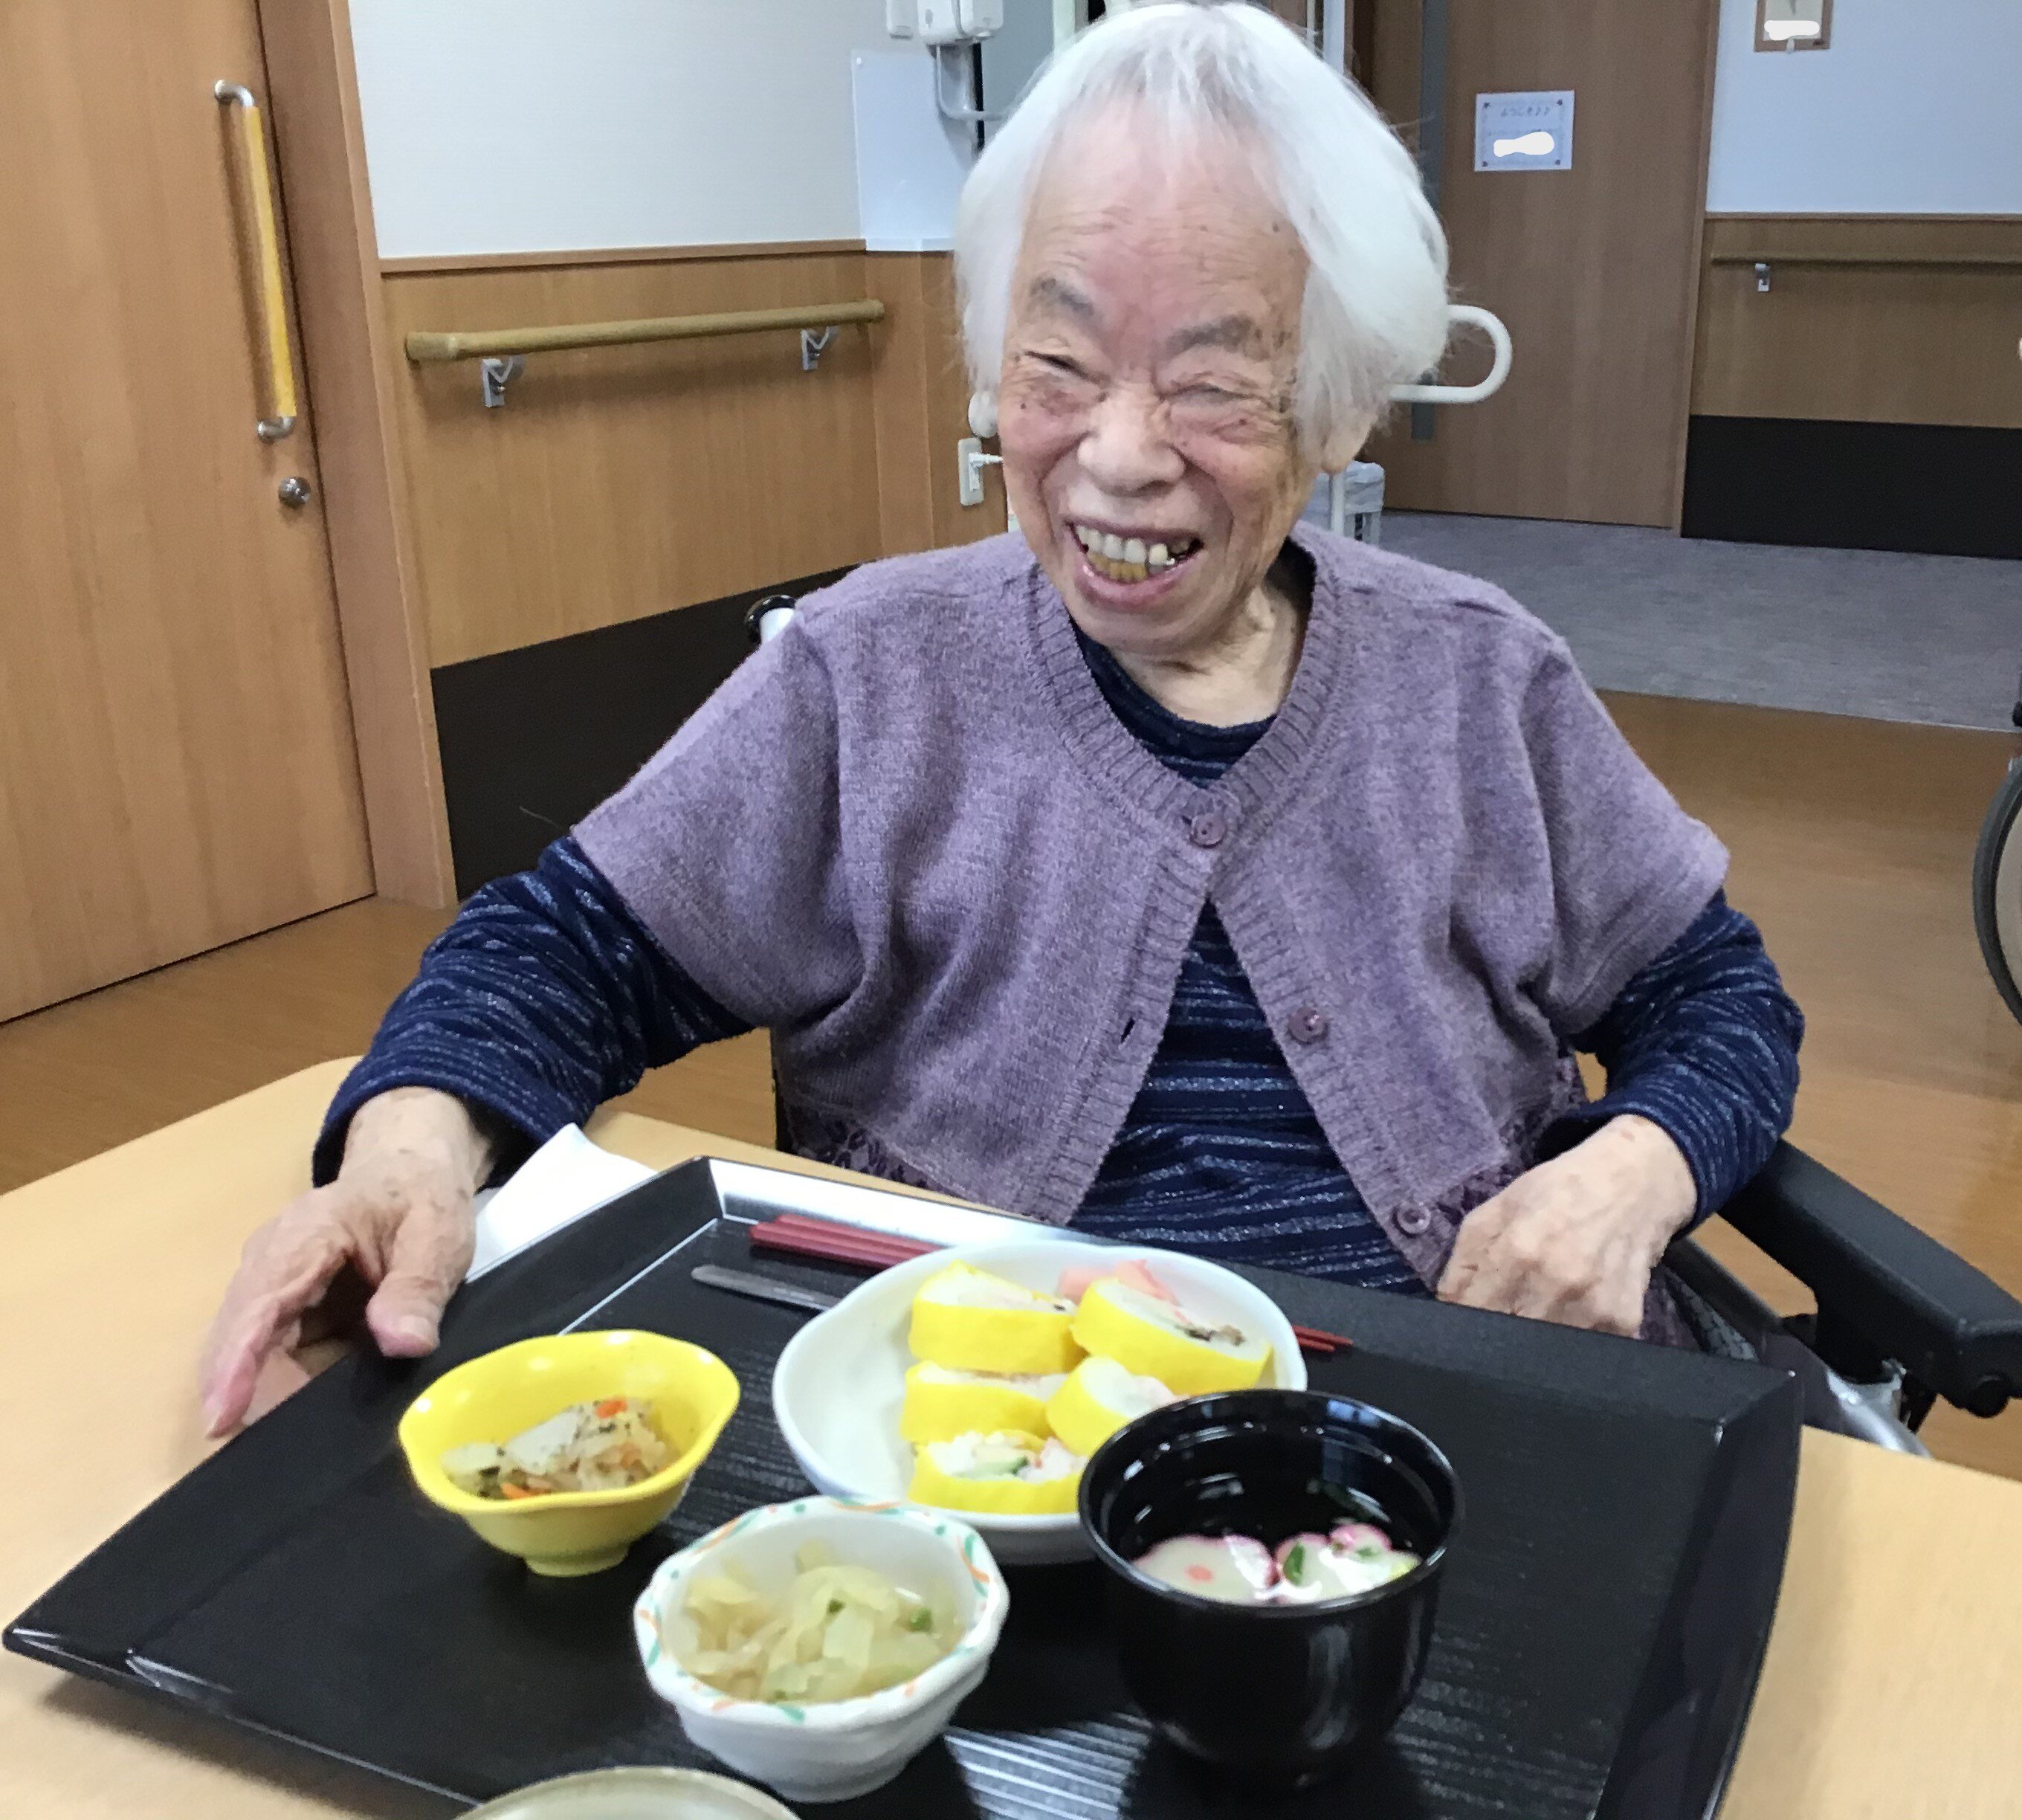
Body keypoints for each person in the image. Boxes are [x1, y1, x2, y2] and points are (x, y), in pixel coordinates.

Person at [201, 1, 1800, 1436]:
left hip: (1460, 1415)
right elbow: (568, 949)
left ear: (1339, 405)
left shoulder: (1477, 679)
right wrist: (408, 1155)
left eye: (1211, 383)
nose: (1118, 453)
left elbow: (1712, 992)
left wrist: (1634, 1165)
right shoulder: (873, 673)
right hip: (976, 1445)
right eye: (1058, 364)